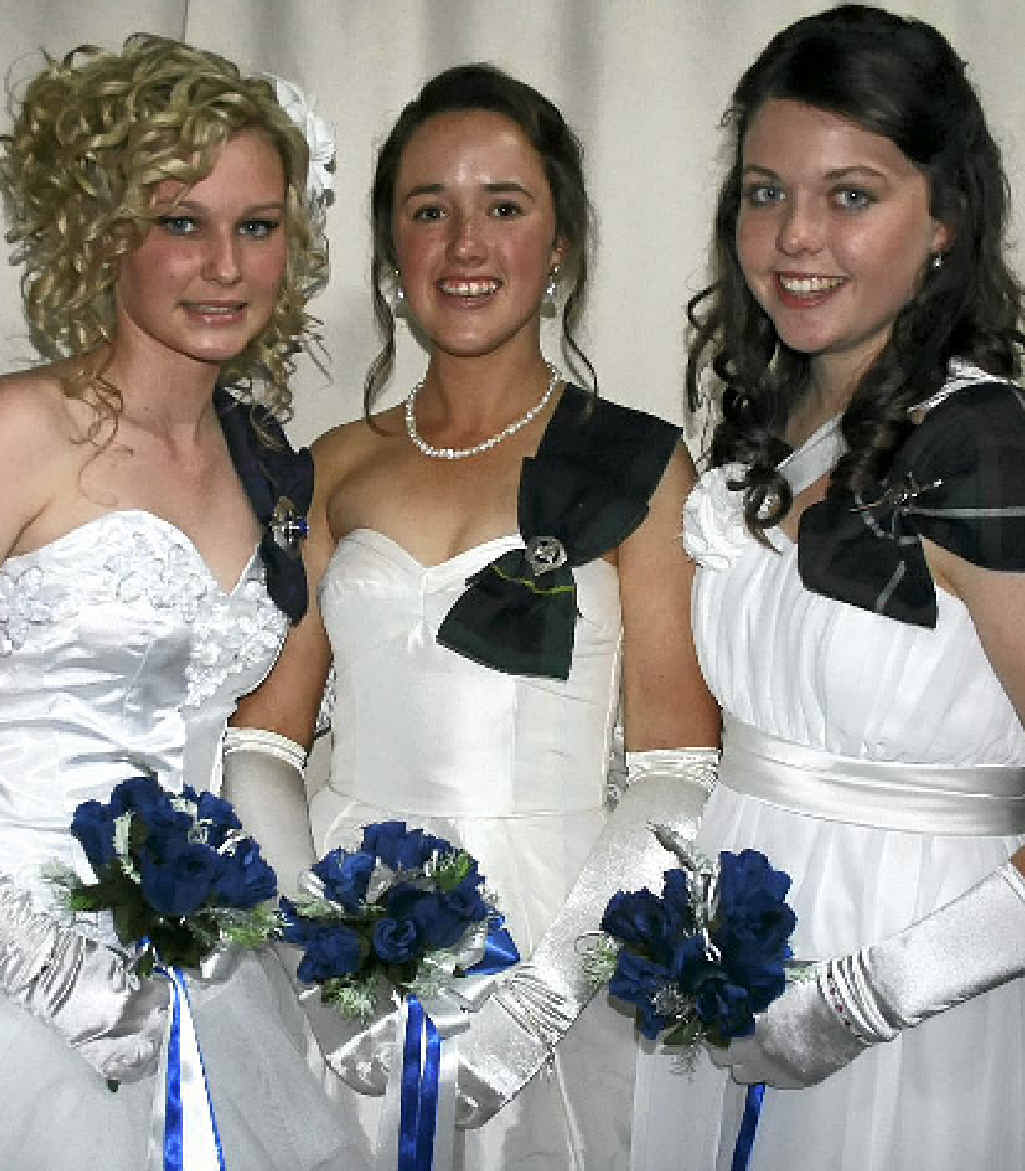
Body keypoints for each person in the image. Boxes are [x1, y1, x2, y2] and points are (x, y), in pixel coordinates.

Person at [234, 63, 720, 1169]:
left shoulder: (638, 463)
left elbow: (677, 761)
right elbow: (264, 738)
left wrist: (537, 1005)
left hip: (564, 923)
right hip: (344, 919)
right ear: (390, 255)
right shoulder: (331, 466)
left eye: (503, 207)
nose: (464, 245)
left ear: (559, 247)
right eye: (428, 210)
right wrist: (320, 959)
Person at [632, 6, 1025, 1169]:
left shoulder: (984, 448)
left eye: (849, 195)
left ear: (941, 218)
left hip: (920, 987)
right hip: (738, 960)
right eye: (763, 193)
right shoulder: (765, 429)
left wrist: (872, 994)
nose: (792, 238)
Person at [0, 34, 364, 1170]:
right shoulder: (19, 431)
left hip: (196, 972)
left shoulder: (269, 466)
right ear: (102, 233)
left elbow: (242, 750)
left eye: (255, 226)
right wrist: (57, 975)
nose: (223, 265)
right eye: (179, 222)